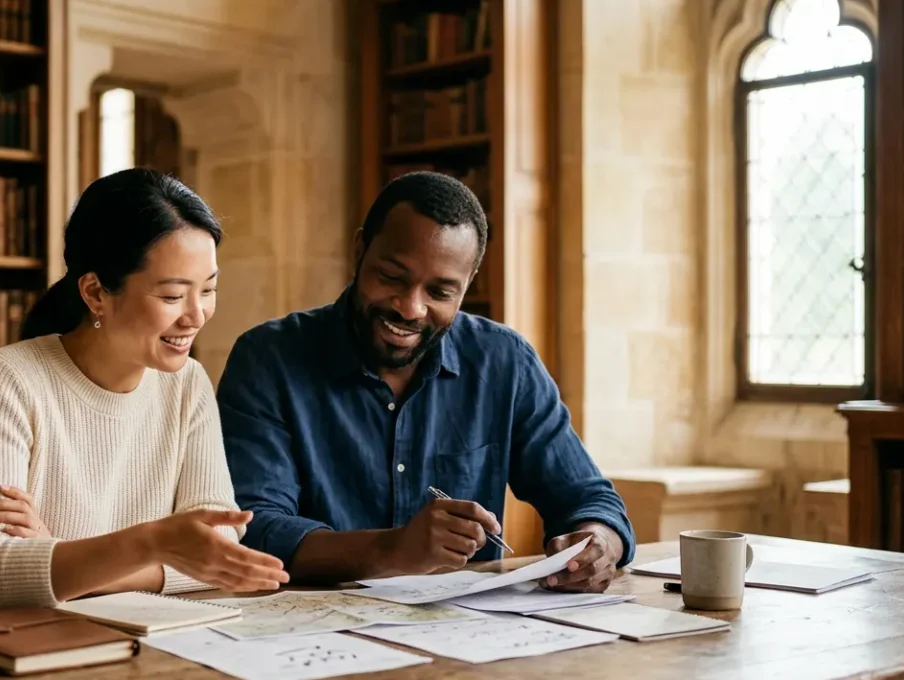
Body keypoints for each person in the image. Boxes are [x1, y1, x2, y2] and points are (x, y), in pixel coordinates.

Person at [216, 171, 634, 593]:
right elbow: (253, 528)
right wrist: (394, 550)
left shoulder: (504, 362)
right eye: (393, 278)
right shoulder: (268, 360)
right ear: (360, 250)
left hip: (466, 636)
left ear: (467, 286)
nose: (411, 308)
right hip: (304, 637)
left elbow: (589, 497)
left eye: (440, 291)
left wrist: (599, 542)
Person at [0, 168, 289, 612]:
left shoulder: (187, 383)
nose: (197, 315)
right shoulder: (6, 379)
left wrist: (61, 553)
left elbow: (218, 545)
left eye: (208, 289)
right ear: (95, 292)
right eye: (172, 296)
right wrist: (153, 543)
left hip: (108, 637)